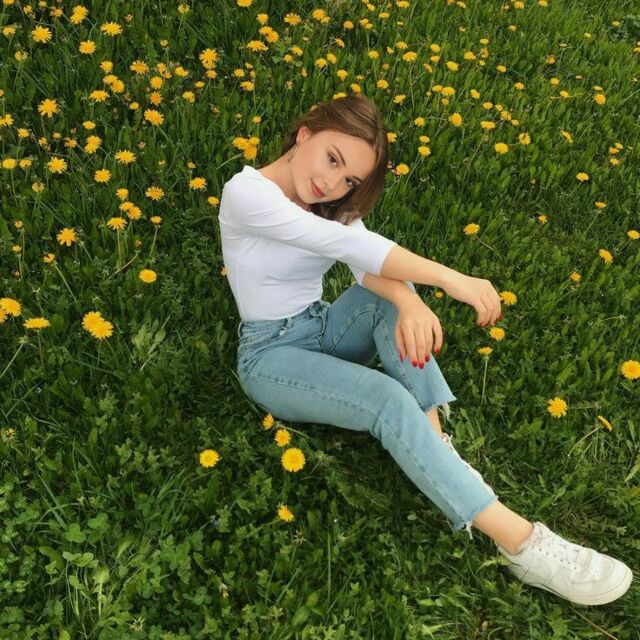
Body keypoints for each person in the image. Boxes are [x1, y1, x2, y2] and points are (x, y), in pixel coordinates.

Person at [217, 93, 633, 606]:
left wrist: (408, 300)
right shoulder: (246, 193)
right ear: (305, 133)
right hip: (270, 357)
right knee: (387, 399)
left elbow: (366, 266)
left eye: (350, 180)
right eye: (332, 158)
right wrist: (450, 279)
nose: (333, 182)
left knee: (394, 298)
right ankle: (523, 545)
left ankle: (436, 447)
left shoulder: (327, 207)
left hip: (320, 327)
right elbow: (351, 247)